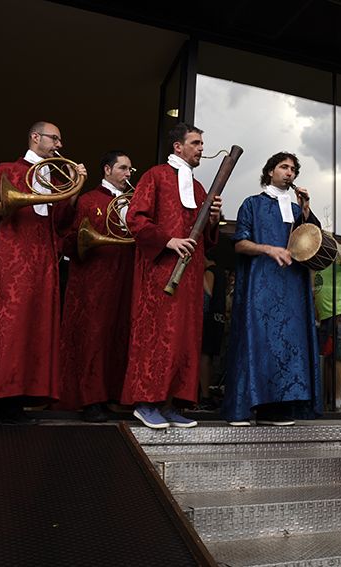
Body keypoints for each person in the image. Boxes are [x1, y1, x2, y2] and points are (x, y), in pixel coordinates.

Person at [0, 121, 85, 425]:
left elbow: (60, 223)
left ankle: (14, 402)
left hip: (41, 264)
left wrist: (73, 189)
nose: (59, 144)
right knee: (5, 329)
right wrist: (7, 205)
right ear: (34, 137)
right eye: (53, 138)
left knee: (32, 331)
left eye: (60, 139)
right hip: (9, 261)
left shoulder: (53, 177)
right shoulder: (6, 170)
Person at [122, 123, 222, 429]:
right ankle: (146, 402)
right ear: (178, 147)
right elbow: (135, 220)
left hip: (190, 277)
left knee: (185, 338)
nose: (202, 148)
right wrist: (169, 240)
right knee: (157, 335)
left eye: (202, 143)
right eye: (195, 143)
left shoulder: (200, 188)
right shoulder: (154, 176)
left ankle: (172, 404)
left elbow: (208, 236)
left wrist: (214, 220)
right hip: (161, 272)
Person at [221, 152, 322, 426]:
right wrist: (268, 249)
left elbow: (314, 241)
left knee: (287, 346)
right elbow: (240, 243)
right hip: (261, 284)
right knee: (257, 342)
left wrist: (306, 209)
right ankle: (241, 409)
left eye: (292, 169)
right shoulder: (251, 204)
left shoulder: (296, 209)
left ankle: (274, 411)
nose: (289, 173)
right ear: (269, 172)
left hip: (292, 287)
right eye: (283, 167)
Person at [58, 151, 134, 422]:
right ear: (106, 170)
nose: (128, 173)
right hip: (93, 280)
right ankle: (91, 399)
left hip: (124, 277)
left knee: (119, 336)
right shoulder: (89, 200)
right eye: (123, 168)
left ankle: (113, 395)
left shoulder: (133, 203)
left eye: (129, 169)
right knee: (93, 337)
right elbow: (69, 239)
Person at [314, 240, 341, 411]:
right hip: (326, 315)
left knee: (337, 357)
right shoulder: (317, 258)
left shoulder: (335, 252)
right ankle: (328, 401)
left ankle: (337, 402)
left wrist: (332, 242)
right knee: (327, 359)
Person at [198, 250, 227, 410]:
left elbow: (208, 291)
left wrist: (199, 275)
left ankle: (205, 395)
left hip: (209, 317)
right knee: (210, 357)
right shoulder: (222, 272)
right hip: (219, 317)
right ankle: (207, 392)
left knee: (204, 356)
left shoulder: (210, 271)